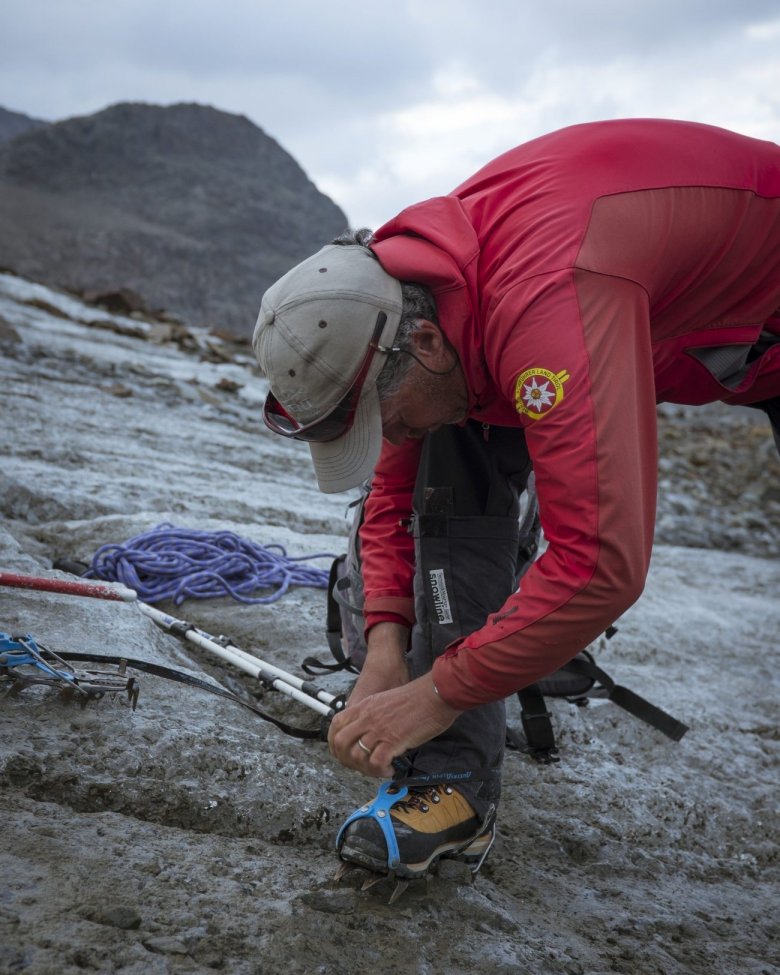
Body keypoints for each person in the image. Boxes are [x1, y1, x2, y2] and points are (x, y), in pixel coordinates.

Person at [252, 118, 780, 880]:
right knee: (445, 439)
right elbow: (395, 498)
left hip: (749, 326)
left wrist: (437, 692)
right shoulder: (413, 308)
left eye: (383, 418)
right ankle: (449, 790)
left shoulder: (544, 302)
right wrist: (385, 649)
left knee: (452, 431)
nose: (387, 436)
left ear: (425, 347)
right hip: (678, 328)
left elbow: (601, 564)